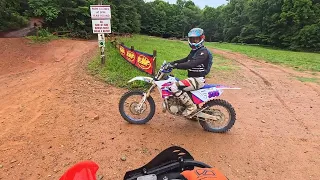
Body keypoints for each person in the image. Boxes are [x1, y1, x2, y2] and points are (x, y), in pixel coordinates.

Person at [166, 28, 213, 117]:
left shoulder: (203, 52)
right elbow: (186, 59)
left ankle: (191, 107)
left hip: (197, 80)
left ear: (202, 38)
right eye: (192, 39)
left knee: (174, 86)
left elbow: (191, 64)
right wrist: (172, 63)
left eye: (196, 39)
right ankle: (189, 108)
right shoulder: (194, 51)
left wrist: (176, 66)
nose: (194, 41)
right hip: (193, 79)